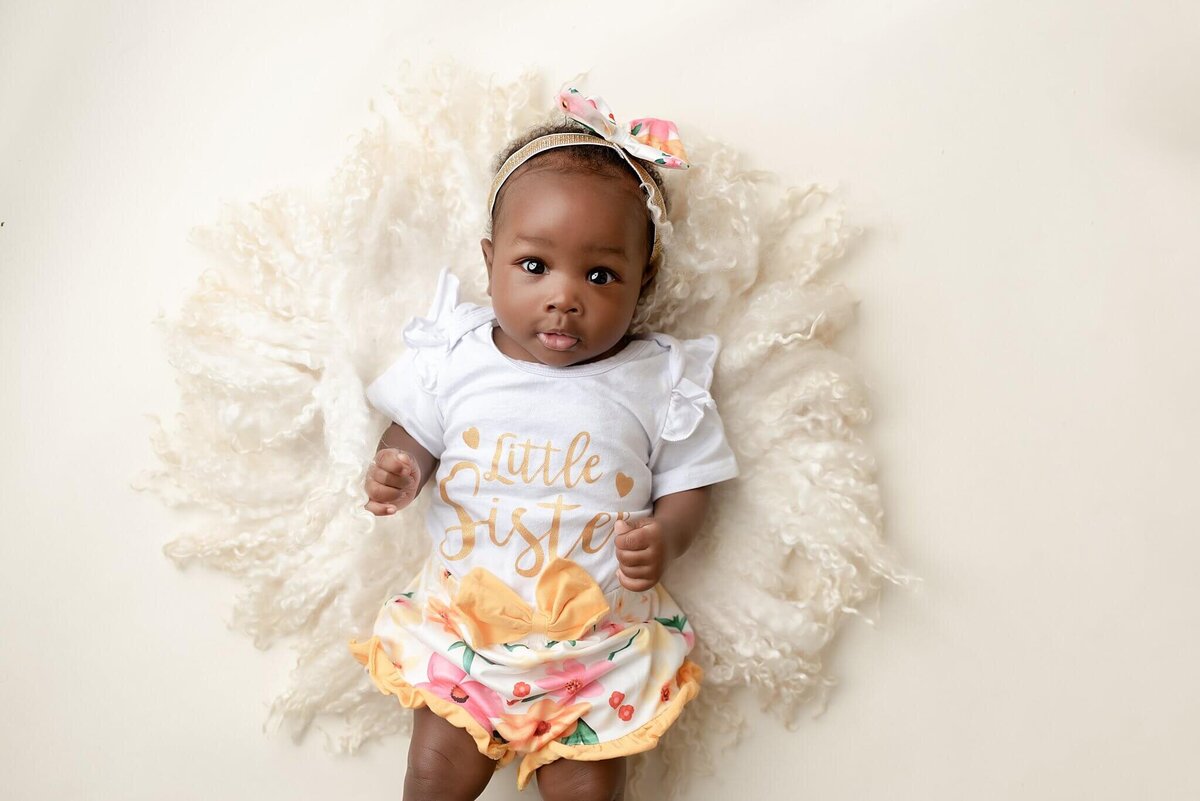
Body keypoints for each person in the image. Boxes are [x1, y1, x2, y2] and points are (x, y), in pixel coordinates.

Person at [348, 87, 739, 801]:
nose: (565, 296)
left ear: (642, 280)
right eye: (535, 266)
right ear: (491, 259)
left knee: (588, 792)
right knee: (433, 775)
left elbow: (691, 479)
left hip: (596, 648)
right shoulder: (459, 353)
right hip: (466, 630)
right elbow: (417, 430)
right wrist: (401, 464)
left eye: (599, 275)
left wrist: (669, 535)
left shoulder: (657, 377)